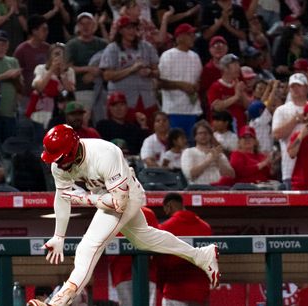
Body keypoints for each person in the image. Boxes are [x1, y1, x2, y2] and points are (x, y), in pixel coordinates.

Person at [27, 124, 219, 306]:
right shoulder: (58, 165)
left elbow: (119, 204)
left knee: (88, 246)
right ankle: (201, 255)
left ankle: (58, 301)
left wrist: (82, 198)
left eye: (59, 157)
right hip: (103, 197)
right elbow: (62, 197)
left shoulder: (105, 153)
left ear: (71, 150)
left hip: (127, 195)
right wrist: (59, 235)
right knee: (144, 239)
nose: (56, 163)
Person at [272, 73, 308, 189]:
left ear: (307, 88)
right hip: (291, 168)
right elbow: (276, 135)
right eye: (292, 86)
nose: (295, 89)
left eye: (299, 85)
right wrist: (295, 120)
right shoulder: (282, 110)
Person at [156, 192, 212, 306]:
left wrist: (161, 287)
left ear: (170, 206)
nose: (166, 213)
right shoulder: (205, 227)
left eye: (165, 209)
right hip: (200, 292)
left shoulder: (165, 228)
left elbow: (160, 263)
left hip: (175, 291)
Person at [159, 23, 202, 138]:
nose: (193, 37)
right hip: (173, 109)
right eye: (190, 34)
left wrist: (196, 86)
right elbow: (161, 83)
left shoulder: (195, 57)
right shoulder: (168, 56)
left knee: (191, 144)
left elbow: (198, 79)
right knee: (175, 144)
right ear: (180, 37)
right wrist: (181, 85)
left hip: (192, 109)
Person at [181, 120, 235, 185]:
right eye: (200, 133)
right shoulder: (188, 152)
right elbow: (189, 174)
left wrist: (218, 160)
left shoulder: (218, 153)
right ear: (195, 136)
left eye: (206, 133)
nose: (203, 135)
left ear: (210, 136)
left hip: (219, 188)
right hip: (198, 189)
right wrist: (209, 160)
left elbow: (231, 175)